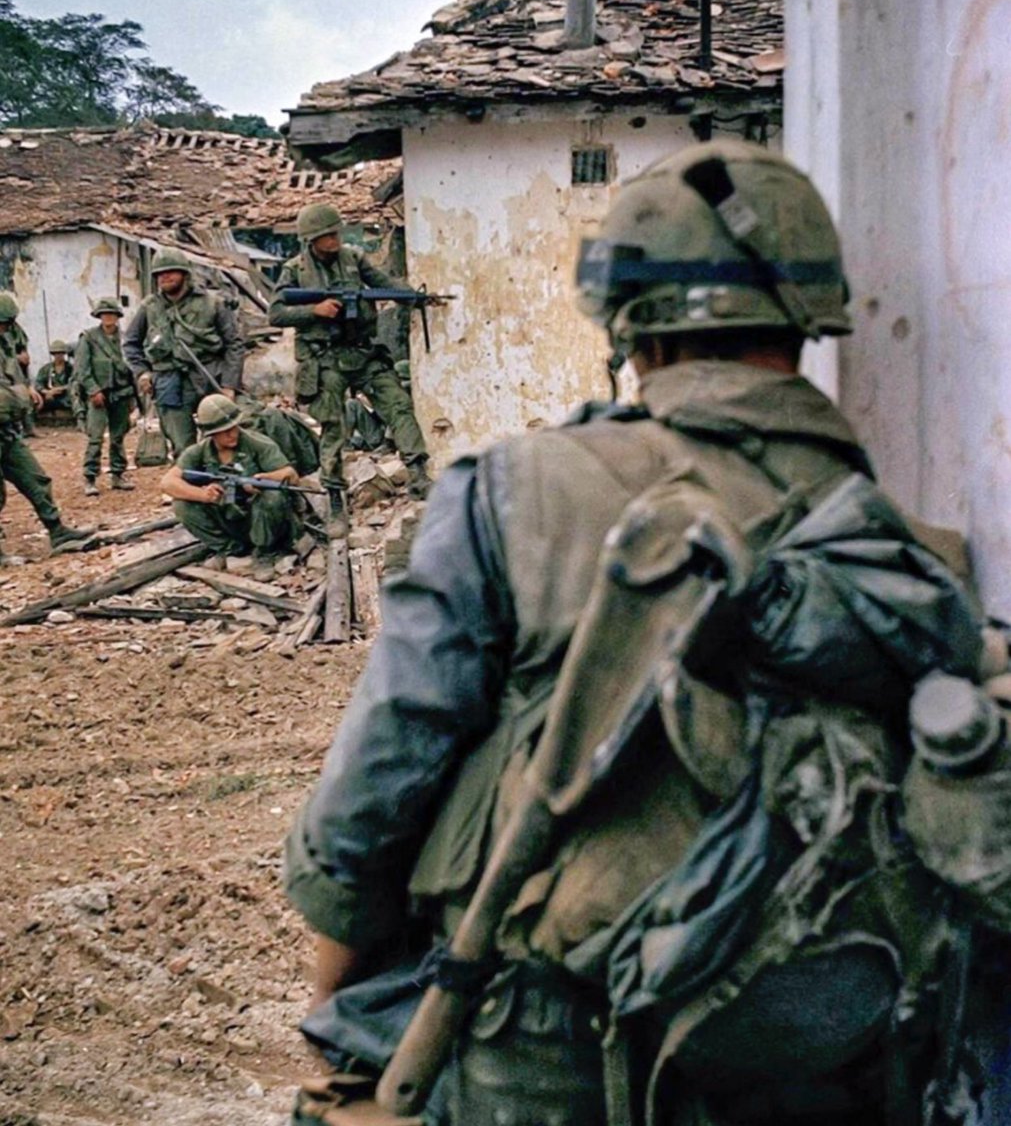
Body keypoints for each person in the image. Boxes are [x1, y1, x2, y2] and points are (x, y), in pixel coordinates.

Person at [283, 142, 985, 1126]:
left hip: (548, 1046)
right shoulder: (914, 555)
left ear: (629, 320)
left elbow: (377, 790)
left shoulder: (517, 491)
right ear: (805, 317)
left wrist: (343, 1015)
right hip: (829, 1051)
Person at [267, 204, 431, 521]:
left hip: (362, 352)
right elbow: (275, 313)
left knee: (398, 404)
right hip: (323, 357)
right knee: (333, 425)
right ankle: (334, 493)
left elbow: (383, 283)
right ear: (310, 240)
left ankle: (419, 474)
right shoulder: (295, 270)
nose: (334, 240)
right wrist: (314, 311)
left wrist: (414, 297)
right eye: (326, 235)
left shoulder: (353, 258)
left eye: (335, 233)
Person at [123, 248, 244, 460]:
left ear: (185, 274)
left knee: (223, 439)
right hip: (168, 382)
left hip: (208, 377)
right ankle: (189, 489)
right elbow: (130, 343)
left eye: (171, 271)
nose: (165, 277)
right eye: (160, 274)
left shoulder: (212, 303)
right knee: (183, 448)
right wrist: (142, 372)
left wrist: (229, 385)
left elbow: (234, 344)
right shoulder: (150, 307)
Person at [161, 393, 301, 575]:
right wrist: (203, 495)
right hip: (229, 516)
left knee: (272, 496)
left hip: (262, 519)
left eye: (234, 427)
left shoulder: (258, 444)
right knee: (182, 504)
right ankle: (230, 549)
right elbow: (167, 483)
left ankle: (266, 552)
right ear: (211, 434)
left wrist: (265, 479)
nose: (232, 434)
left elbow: (291, 476)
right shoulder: (199, 452)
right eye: (225, 431)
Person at [0, 301, 93, 562]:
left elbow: (13, 376)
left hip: (7, 430)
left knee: (36, 479)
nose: (5, 329)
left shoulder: (6, 343)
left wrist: (26, 388)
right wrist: (18, 395)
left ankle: (58, 532)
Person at [75, 298, 137, 496]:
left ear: (118, 317)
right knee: (95, 437)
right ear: (99, 316)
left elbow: (133, 368)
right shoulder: (89, 338)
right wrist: (93, 390)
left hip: (121, 394)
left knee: (118, 437)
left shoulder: (126, 339)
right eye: (104, 314)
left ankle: (118, 474)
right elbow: (82, 369)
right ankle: (90, 477)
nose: (108, 317)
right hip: (98, 396)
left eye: (112, 314)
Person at [0, 291, 37, 436]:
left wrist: (28, 387)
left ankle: (27, 428)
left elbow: (13, 371)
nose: (6, 327)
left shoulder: (7, 340)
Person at [33, 339, 75, 420]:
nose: (58, 356)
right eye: (56, 353)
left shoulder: (71, 368)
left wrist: (61, 388)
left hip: (66, 396)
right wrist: (47, 392)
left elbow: (75, 382)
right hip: (49, 395)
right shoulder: (46, 369)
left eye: (60, 353)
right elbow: (38, 383)